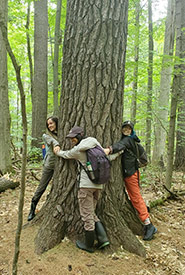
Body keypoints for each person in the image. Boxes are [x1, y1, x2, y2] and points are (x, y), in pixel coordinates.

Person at [53, 126, 110, 253]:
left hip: (85, 186)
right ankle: (103, 239)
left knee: (86, 216)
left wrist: (57, 152)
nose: (72, 140)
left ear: (79, 136)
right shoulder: (94, 142)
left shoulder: (78, 150)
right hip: (98, 185)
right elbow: (105, 154)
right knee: (91, 212)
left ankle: (88, 245)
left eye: (73, 137)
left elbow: (65, 154)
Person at [104, 120, 157, 241]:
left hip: (131, 174)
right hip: (131, 173)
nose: (126, 130)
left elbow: (120, 146)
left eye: (129, 129)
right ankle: (146, 222)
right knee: (136, 197)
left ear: (132, 130)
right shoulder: (133, 141)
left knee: (136, 198)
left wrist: (109, 149)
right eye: (125, 128)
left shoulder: (128, 140)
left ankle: (148, 225)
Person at [27, 116, 60, 221]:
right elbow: (52, 142)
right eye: (48, 124)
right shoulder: (46, 135)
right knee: (42, 187)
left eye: (51, 123)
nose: (50, 125)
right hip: (49, 165)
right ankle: (32, 210)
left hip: (61, 166)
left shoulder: (62, 133)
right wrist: (57, 145)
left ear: (56, 123)